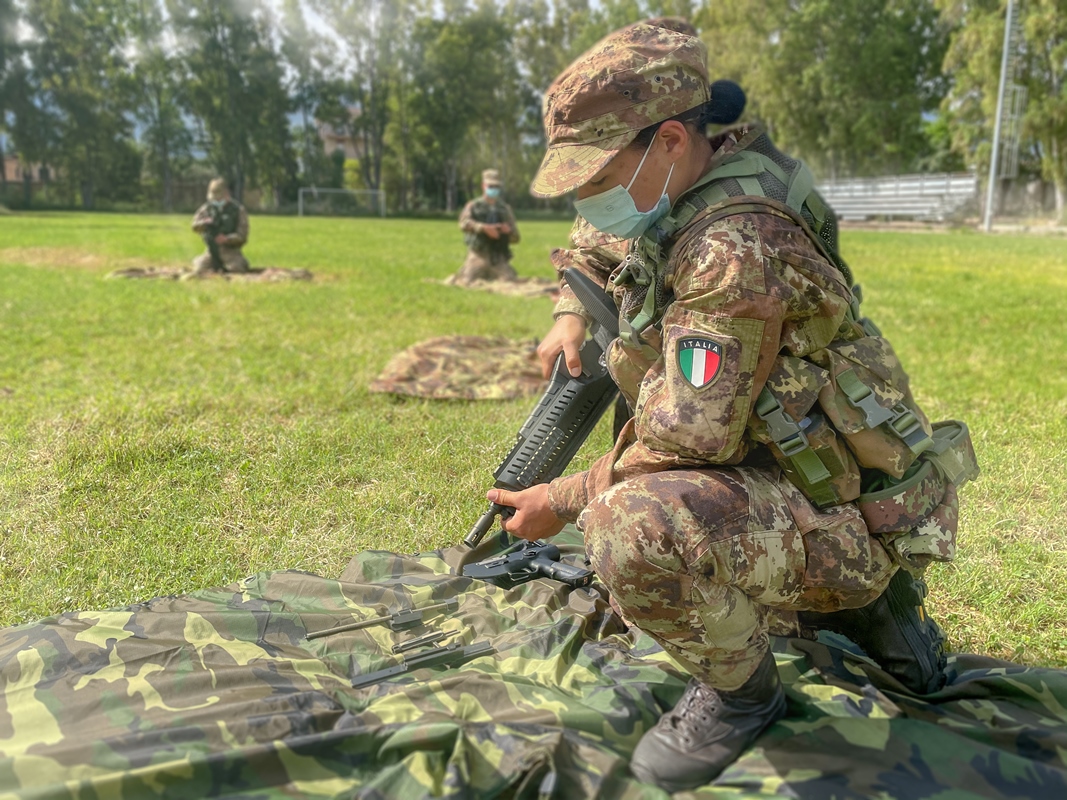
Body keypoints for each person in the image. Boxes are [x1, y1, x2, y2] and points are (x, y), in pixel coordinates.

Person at [485, 22, 978, 793]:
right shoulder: (701, 177)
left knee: (630, 527)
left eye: (594, 174)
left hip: (838, 507)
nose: (587, 199)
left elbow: (687, 437)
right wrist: (569, 313)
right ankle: (867, 606)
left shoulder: (732, 247)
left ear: (671, 139)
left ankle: (741, 694)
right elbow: (594, 237)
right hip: (824, 476)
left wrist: (560, 499)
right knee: (647, 476)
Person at [451, 169, 521, 284]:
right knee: (468, 281)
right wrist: (483, 228)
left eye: (496, 187)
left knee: (509, 281)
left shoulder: (505, 209)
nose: (493, 189)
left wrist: (507, 232)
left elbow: (516, 237)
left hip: (497, 256)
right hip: (478, 254)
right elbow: (463, 223)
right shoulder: (473, 206)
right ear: (484, 186)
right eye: (490, 186)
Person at [191, 178, 250, 275]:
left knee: (237, 268)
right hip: (211, 251)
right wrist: (203, 223)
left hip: (230, 252)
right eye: (214, 199)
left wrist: (227, 239)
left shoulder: (238, 210)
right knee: (199, 269)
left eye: (219, 198)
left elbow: (242, 236)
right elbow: (194, 226)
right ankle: (203, 261)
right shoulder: (207, 208)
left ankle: (239, 262)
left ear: (226, 194)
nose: (216, 201)